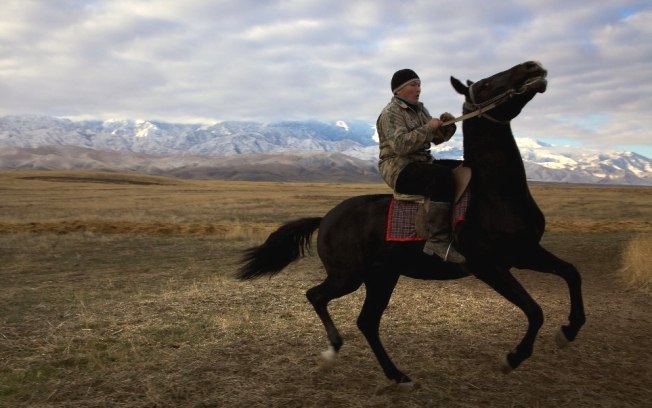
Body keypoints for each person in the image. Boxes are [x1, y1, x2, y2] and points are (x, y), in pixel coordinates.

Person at [376, 68, 465, 263]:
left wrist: (447, 126)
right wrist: (429, 127)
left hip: (423, 162)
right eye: (413, 84)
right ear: (399, 90)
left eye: (419, 84)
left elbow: (435, 139)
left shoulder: (420, 109)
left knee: (464, 169)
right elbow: (400, 146)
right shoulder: (391, 113)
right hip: (399, 168)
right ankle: (438, 240)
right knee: (441, 178)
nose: (418, 89)